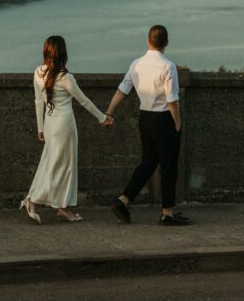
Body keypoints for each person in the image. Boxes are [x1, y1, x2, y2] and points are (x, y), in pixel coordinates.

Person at [20, 35, 112, 224]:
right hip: (64, 124)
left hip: (50, 122)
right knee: (64, 167)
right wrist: (102, 117)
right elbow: (84, 101)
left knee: (50, 163)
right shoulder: (65, 77)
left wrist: (40, 128)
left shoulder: (38, 72)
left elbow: (38, 101)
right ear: (63, 53)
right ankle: (36, 199)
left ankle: (59, 207)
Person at [104, 24, 190, 226]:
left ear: (148, 41)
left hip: (145, 118)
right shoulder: (168, 66)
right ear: (166, 43)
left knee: (149, 162)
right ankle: (167, 213)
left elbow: (122, 90)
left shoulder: (136, 64)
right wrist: (177, 123)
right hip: (164, 119)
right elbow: (172, 100)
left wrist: (109, 112)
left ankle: (123, 200)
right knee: (168, 165)